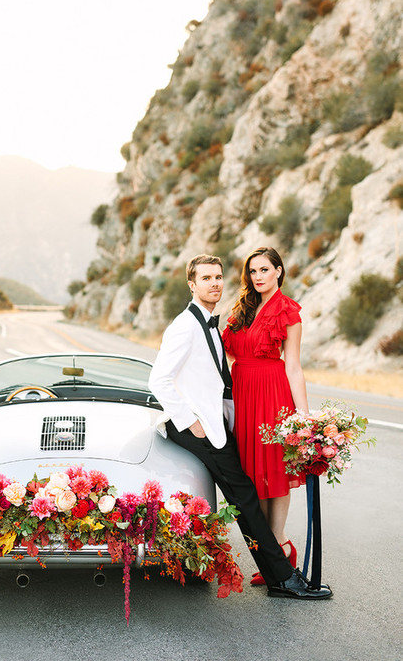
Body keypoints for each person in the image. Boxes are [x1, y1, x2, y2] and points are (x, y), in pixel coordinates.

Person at [149, 253, 331, 599]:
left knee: (246, 496)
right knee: (245, 497)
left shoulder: (207, 322)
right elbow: (158, 380)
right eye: (206, 278)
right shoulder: (186, 325)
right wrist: (192, 423)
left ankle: (279, 574)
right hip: (199, 427)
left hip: (222, 420)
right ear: (192, 284)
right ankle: (283, 578)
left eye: (218, 277)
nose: (215, 283)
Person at [222, 246, 308, 586]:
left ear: (278, 271)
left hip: (273, 394)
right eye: (253, 271)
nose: (258, 276)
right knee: (250, 473)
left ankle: (278, 543)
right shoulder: (242, 308)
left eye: (264, 270)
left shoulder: (288, 311)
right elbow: (226, 356)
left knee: (273, 468)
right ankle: (277, 549)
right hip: (243, 394)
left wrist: (304, 418)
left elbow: (294, 366)